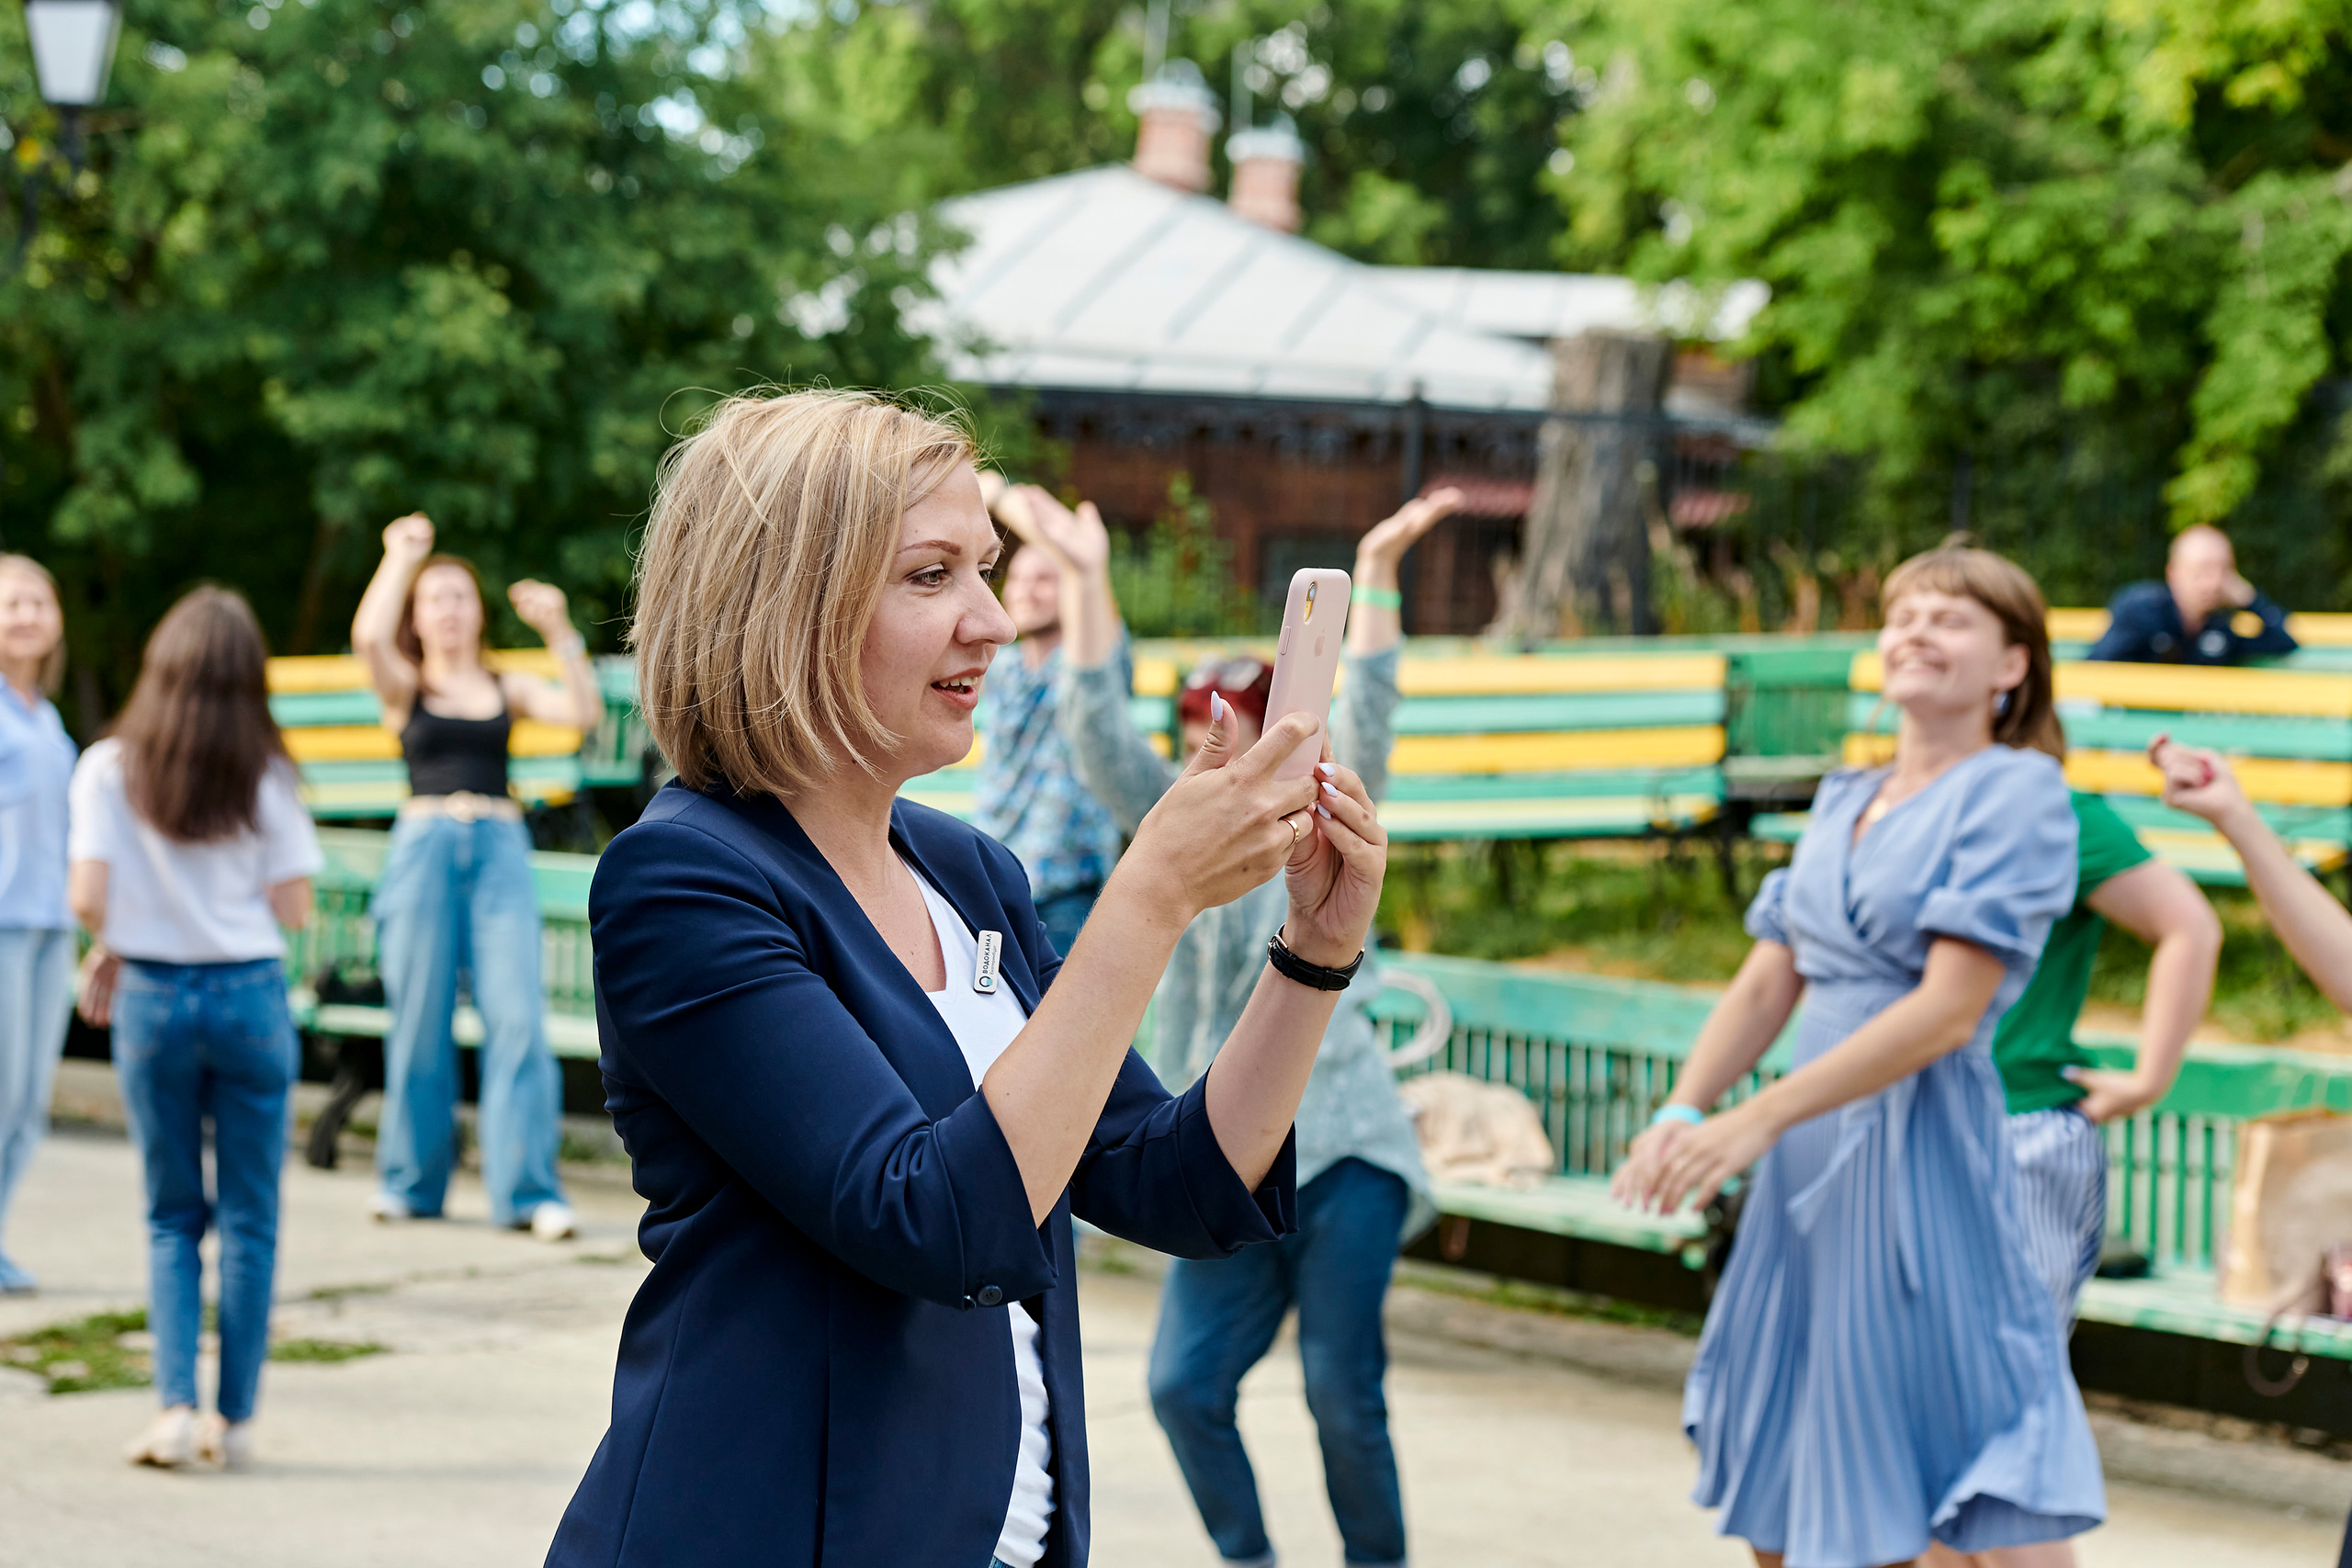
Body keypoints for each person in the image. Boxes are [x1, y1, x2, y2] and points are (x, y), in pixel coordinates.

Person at [547, 389, 1389, 1568]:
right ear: (789, 603)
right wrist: (1147, 897)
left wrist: (1312, 956)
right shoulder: (683, 881)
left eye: (986, 571)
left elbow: (1173, 1181)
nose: (991, 622)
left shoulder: (966, 869)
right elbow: (933, 1218)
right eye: (931, 575)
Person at [1614, 542, 2105, 1568]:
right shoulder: (1843, 797)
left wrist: (1757, 1116)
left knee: (1954, 1472)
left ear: (2012, 667)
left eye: (1952, 617)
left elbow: (1942, 1015)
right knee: (1785, 1478)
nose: (1917, 630)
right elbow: (1764, 982)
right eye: (1903, 614)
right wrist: (1684, 1110)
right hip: (1804, 1165)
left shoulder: (2019, 794)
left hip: (1920, 1155)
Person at [1003, 480, 1461, 1568]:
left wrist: (1380, 572)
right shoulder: (1174, 831)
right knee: (1180, 1385)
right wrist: (1080, 577)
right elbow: (1097, 732)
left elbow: (1379, 706)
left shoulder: (1324, 811)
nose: (1223, 735)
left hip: (1345, 1148)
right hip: (1219, 1150)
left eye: (1242, 717)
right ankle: (1249, 1557)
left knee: (1338, 1392)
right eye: (1205, 720)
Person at [65, 587, 322, 1471]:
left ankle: (173, 1406)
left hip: (151, 998)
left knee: (172, 1213)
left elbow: (87, 897)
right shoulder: (267, 772)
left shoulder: (106, 766)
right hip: (249, 994)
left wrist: (114, 934)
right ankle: (236, 1419)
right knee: (252, 1215)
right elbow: (294, 907)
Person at [349, 516, 604, 1240]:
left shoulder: (505, 682)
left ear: (478, 611)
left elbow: (579, 714)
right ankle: (409, 1183)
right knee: (418, 1022)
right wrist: (401, 558)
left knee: (517, 1020)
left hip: (497, 845)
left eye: (460, 596)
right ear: (417, 616)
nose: (450, 608)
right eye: (435, 599)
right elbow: (370, 637)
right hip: (424, 844)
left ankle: (528, 1192)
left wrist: (559, 632)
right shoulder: (403, 685)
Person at [1991, 787, 2218, 1318]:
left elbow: (2190, 927)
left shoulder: (2058, 814)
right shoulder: (1877, 800)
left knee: (2013, 1369)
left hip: (2017, 1123)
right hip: (1894, 1115)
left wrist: (2149, 1078)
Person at [967, 476, 1125, 954]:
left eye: (1044, 580)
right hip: (992, 882)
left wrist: (997, 498)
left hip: (1065, 895)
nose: (1024, 591)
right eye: (1016, 578)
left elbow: (1082, 566)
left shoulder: (1092, 664)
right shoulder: (1001, 663)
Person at [0, 554, 75, 1296]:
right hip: (2, 923)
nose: (27, 616)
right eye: (11, 603)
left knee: (26, 1101)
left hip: (51, 923)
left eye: (38, 603)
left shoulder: (44, 717)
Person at [2086, 525, 2295, 664]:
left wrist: (2249, 598)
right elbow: (2096, 670)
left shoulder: (2224, 628)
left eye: (2223, 571)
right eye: (2202, 570)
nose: (2213, 582)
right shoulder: (2141, 611)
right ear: (2173, 572)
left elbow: (2286, 641)